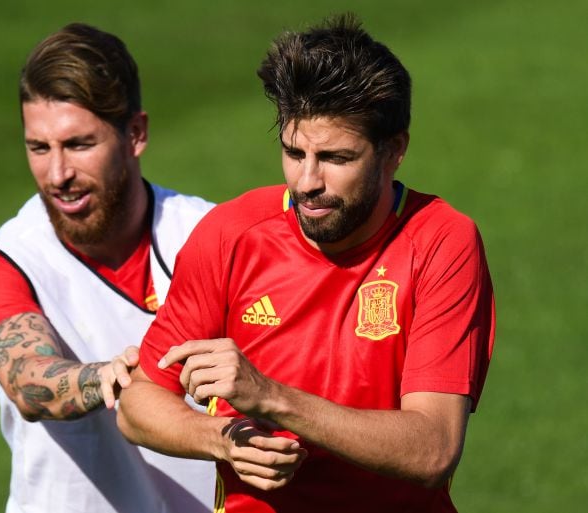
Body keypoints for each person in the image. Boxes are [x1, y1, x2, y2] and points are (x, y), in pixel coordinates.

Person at [116, 13, 496, 513]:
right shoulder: (232, 234)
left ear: (393, 151)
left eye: (336, 158)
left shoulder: (441, 242)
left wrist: (270, 398)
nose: (306, 182)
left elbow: (433, 448)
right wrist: (222, 438)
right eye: (294, 152)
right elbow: (139, 403)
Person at [0, 22, 215, 513]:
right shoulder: (4, 261)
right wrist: (106, 377)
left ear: (135, 134)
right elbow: (28, 379)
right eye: (39, 147)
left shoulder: (212, 235)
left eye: (78, 144)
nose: (58, 176)